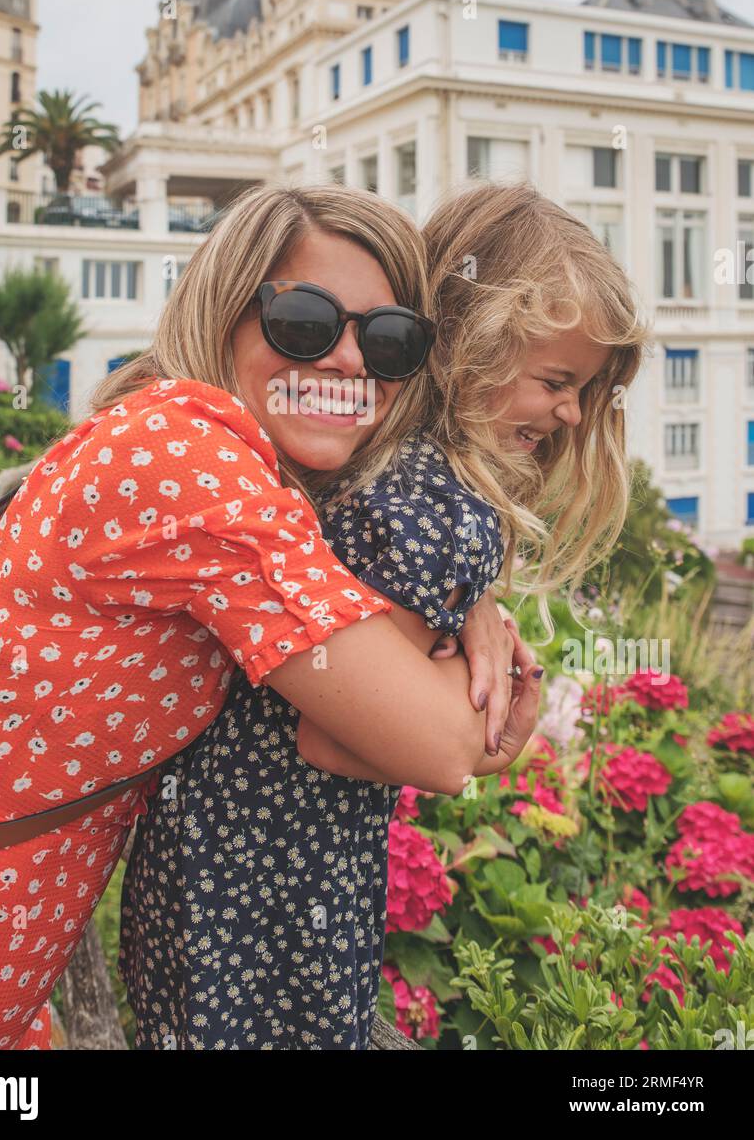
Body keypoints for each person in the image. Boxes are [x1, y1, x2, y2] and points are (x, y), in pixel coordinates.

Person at [0, 186, 521, 1051]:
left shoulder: (173, 429)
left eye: (388, 340)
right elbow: (444, 744)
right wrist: (498, 668)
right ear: (225, 310)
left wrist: (471, 595)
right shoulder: (189, 470)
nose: (346, 363)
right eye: (304, 322)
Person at [119, 179, 645, 1051]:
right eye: (556, 381)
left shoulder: (371, 469)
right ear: (469, 347)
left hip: (202, 863)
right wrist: (494, 724)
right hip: (277, 885)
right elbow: (342, 736)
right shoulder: (434, 501)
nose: (570, 414)